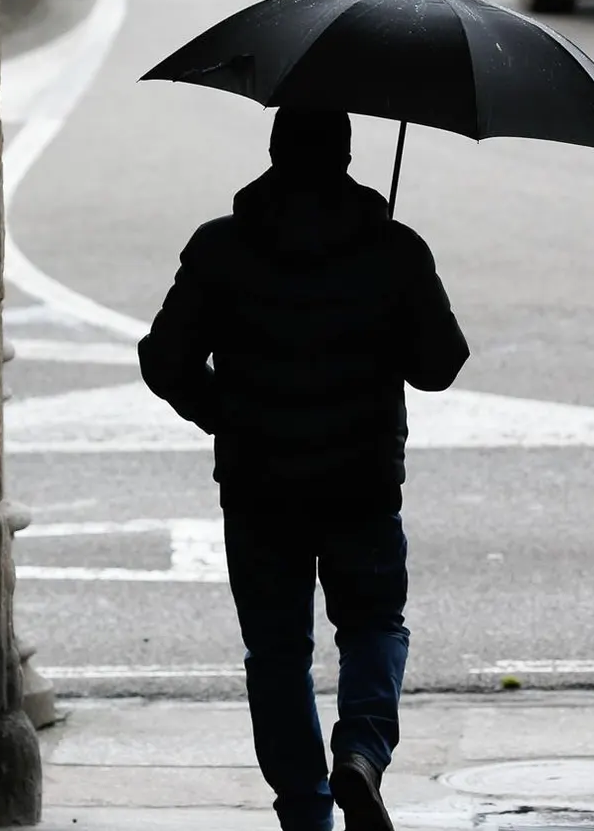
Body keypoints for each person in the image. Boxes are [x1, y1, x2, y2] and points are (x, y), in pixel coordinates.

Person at [138, 106, 471, 831]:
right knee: (374, 622)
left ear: (274, 151)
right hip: (362, 479)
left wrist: (224, 413)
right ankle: (361, 751)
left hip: (258, 482)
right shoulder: (394, 248)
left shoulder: (220, 247)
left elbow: (163, 359)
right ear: (346, 156)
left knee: (277, 651)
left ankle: (305, 809)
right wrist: (396, 301)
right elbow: (441, 364)